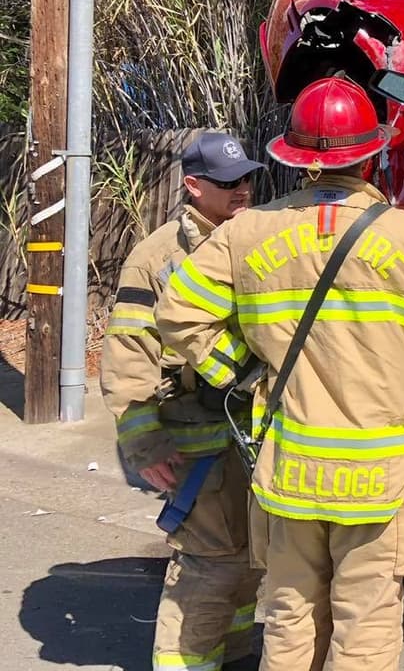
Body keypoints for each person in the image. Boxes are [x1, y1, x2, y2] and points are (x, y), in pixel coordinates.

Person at [156, 76, 404, 671]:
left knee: (290, 616)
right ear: (370, 157)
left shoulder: (244, 234)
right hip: (377, 479)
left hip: (291, 470)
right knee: (365, 623)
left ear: (295, 159)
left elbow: (176, 314)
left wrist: (240, 369)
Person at [100, 132, 266, 671]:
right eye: (227, 182)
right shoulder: (157, 258)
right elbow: (130, 352)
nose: (242, 189)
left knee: (250, 556)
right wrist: (144, 443)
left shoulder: (260, 238)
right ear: (193, 185)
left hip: (254, 435)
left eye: (246, 178)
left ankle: (231, 654)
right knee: (210, 563)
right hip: (197, 441)